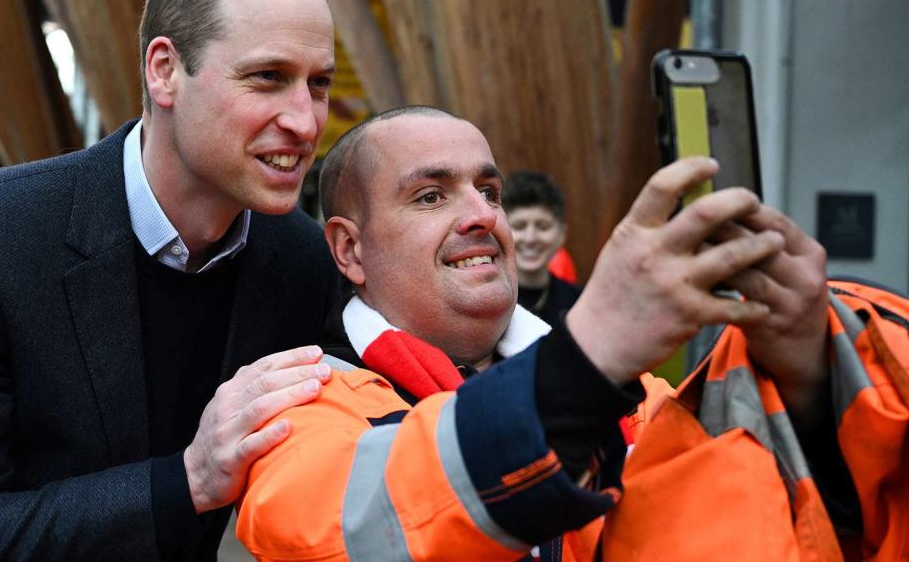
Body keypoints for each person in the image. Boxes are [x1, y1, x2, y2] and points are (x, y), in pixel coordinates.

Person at [235, 106, 848, 560]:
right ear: (349, 249)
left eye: (489, 190)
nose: (481, 215)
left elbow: (777, 519)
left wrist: (809, 383)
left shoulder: (628, 393)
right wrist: (581, 366)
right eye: (430, 196)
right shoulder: (296, 403)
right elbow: (354, 531)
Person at [0, 0, 340, 560]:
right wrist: (184, 482)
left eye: (318, 84)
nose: (305, 120)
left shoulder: (306, 260)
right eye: (268, 77)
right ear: (164, 71)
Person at [503, 170, 582, 324]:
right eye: (519, 226)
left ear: (562, 234)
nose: (530, 238)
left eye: (543, 226)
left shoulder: (579, 304)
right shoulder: (485, 302)